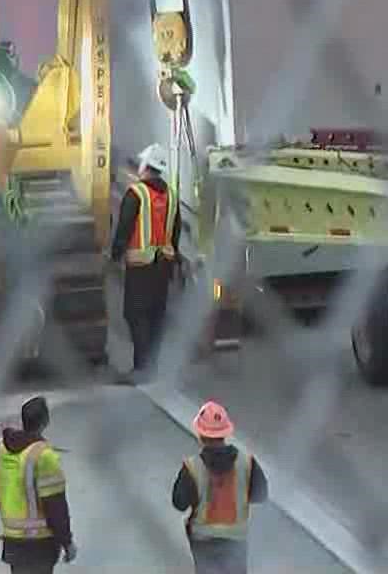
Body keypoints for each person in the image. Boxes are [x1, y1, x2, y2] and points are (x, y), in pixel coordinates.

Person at [172, 401, 267, 574]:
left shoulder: (192, 468)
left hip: (203, 540)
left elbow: (179, 503)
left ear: (200, 433)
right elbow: (260, 495)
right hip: (236, 538)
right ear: (225, 433)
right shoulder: (247, 463)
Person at [112, 142, 180, 380]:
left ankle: (141, 368)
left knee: (135, 315)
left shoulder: (136, 194)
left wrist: (115, 255)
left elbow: (124, 228)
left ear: (144, 165)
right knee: (156, 316)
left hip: (140, 268)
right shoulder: (171, 195)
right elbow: (176, 232)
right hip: (163, 267)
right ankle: (154, 366)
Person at [0, 395, 76, 573]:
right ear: (45, 420)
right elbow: (55, 505)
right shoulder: (43, 456)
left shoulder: (2, 448)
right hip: (39, 543)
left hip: (12, 537)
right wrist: (67, 541)